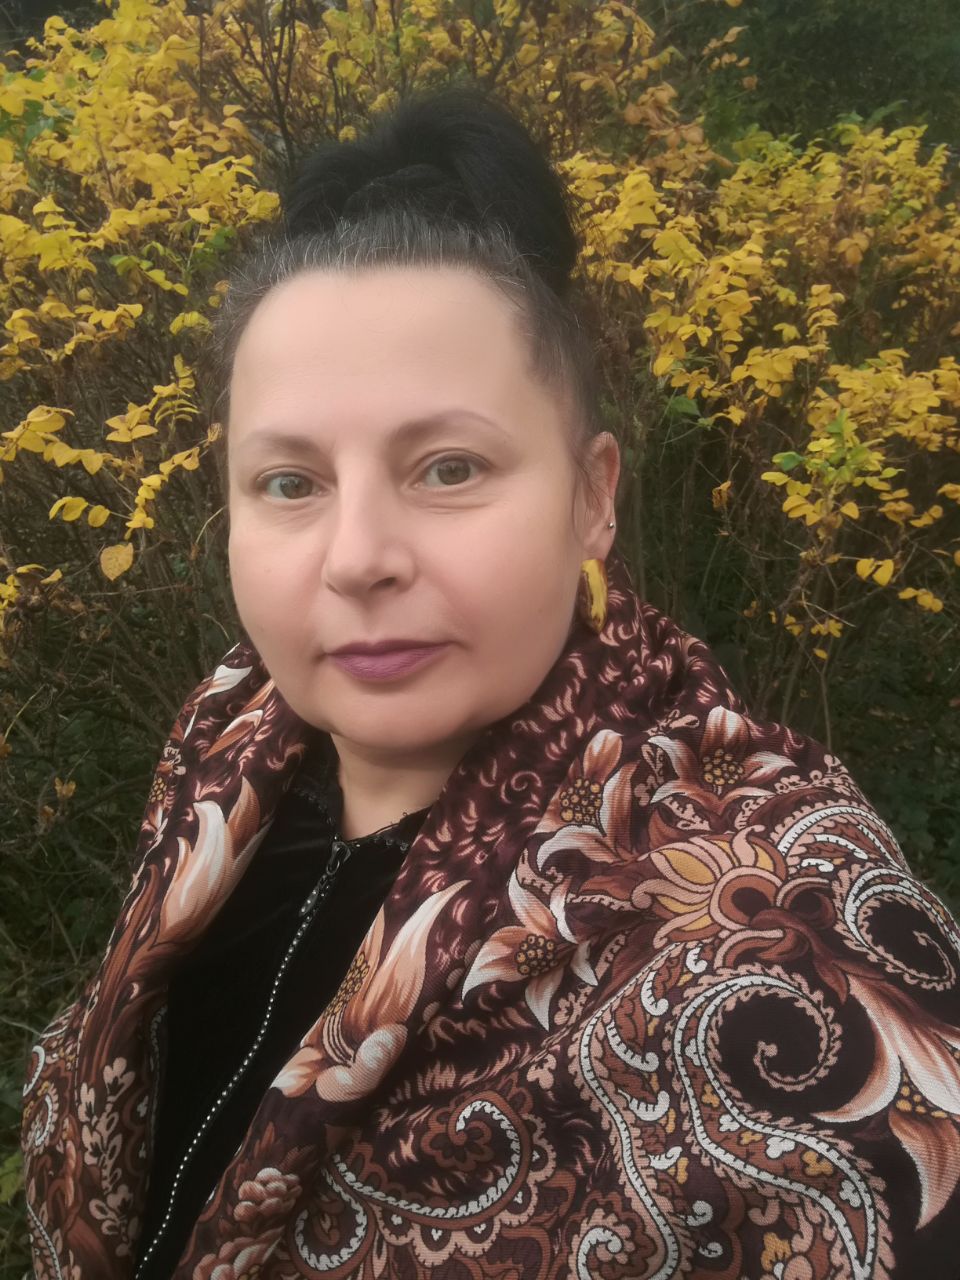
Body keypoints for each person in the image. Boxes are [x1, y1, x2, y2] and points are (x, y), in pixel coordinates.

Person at [21, 81, 960, 1280]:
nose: (358, 557)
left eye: (449, 467)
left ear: (593, 495)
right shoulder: (229, 729)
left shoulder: (784, 947)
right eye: (290, 482)